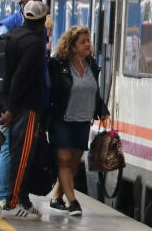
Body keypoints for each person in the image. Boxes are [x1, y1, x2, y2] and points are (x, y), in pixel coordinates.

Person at [47, 25, 109, 216]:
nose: (88, 45)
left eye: (88, 41)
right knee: (64, 160)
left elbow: (94, 91)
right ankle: (73, 202)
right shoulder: (57, 64)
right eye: (83, 42)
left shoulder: (91, 64)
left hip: (83, 119)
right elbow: (52, 91)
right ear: (72, 46)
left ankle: (57, 197)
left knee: (73, 162)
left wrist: (102, 109)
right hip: (62, 118)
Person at [0, 0, 46, 210]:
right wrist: (12, 110)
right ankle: (14, 201)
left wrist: (2, 104)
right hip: (25, 107)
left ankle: (12, 198)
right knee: (22, 154)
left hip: (7, 102)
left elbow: (0, 74)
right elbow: (20, 79)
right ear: (43, 21)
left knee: (13, 151)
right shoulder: (34, 43)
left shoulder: (10, 35)